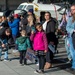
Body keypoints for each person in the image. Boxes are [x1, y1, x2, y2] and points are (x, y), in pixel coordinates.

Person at [66, 4, 75, 70]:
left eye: (73, 9)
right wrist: (73, 30)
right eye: (71, 9)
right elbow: (67, 27)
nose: (72, 11)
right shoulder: (70, 18)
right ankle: (74, 65)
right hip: (72, 36)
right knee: (72, 52)